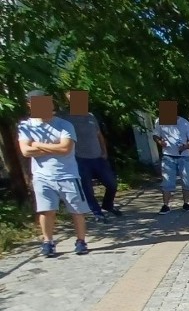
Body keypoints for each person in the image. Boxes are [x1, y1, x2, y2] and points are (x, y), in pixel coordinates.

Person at [17, 89, 89, 256]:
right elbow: (26, 151)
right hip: (42, 176)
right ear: (30, 105)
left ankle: (81, 241)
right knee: (46, 210)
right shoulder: (26, 126)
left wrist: (37, 145)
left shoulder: (64, 124)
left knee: (77, 210)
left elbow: (65, 148)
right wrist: (52, 148)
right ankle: (48, 242)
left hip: (68, 174)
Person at [58, 91, 122, 223]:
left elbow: (99, 135)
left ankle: (108, 205)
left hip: (98, 157)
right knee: (87, 188)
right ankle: (97, 213)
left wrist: (104, 152)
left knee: (112, 184)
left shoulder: (91, 116)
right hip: (80, 159)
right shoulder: (65, 118)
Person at [152, 114, 189, 214]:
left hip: (184, 156)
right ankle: (165, 205)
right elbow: (155, 135)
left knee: (187, 181)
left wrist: (185, 146)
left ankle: (186, 204)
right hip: (168, 156)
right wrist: (160, 142)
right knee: (167, 182)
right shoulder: (160, 120)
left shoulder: (184, 122)